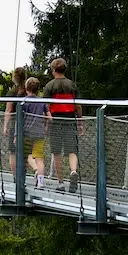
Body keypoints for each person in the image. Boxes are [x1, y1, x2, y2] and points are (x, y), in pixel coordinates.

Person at [43, 57, 83, 192]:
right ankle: (73, 172)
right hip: (70, 120)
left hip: (55, 121)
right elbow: (77, 106)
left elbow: (46, 107)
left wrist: (46, 125)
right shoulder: (72, 85)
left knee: (56, 152)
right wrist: (80, 121)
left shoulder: (49, 86)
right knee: (72, 150)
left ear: (54, 70)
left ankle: (60, 183)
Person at [1, 67, 27, 181]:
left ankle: (16, 177)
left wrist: (5, 126)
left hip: (14, 124)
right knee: (26, 151)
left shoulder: (13, 91)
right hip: (28, 125)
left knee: (13, 152)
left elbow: (8, 109)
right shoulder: (28, 90)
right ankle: (24, 175)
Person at [23, 77, 49, 189]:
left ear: (26, 88)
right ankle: (41, 183)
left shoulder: (24, 101)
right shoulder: (42, 101)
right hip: (40, 132)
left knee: (27, 155)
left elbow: (21, 118)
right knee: (39, 158)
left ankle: (36, 170)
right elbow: (50, 117)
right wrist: (46, 127)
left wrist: (16, 135)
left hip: (27, 132)